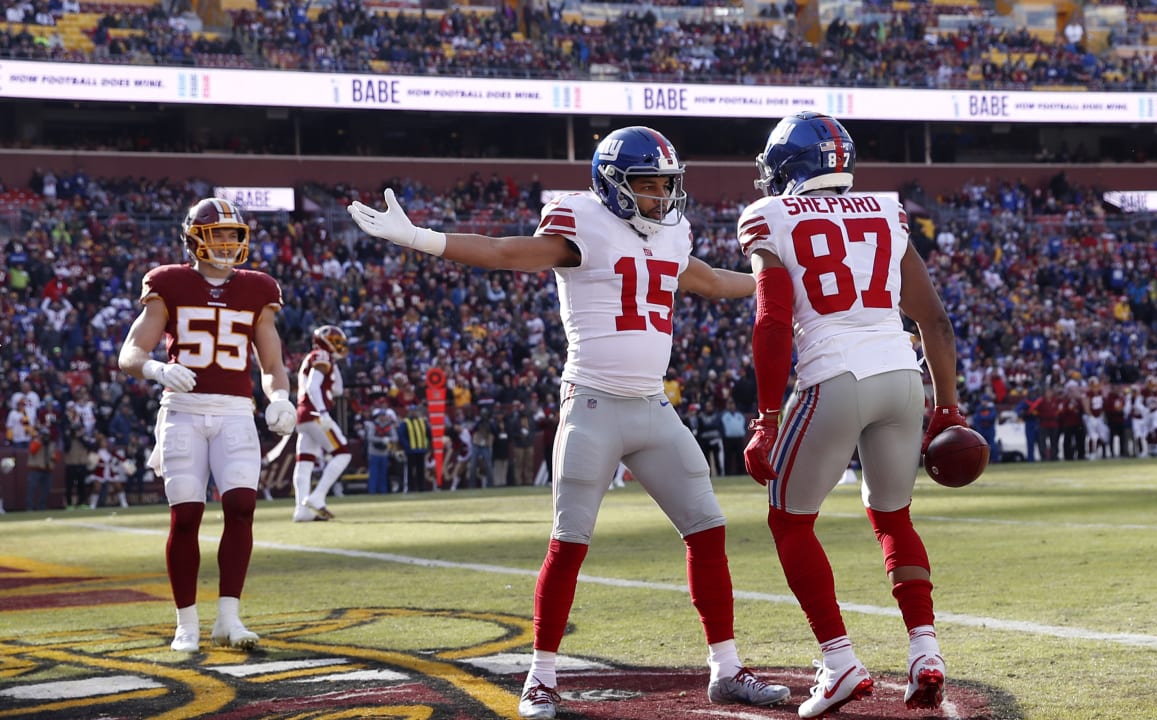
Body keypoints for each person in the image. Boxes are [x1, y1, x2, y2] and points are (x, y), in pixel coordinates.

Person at [348, 125, 789, 720]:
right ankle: (542, 676)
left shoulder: (672, 231)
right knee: (569, 542)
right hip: (593, 405)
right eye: (649, 183)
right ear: (613, 184)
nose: (662, 194)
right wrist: (422, 239)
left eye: (666, 183)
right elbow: (508, 253)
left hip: (653, 407)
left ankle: (726, 668)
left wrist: (782, 285)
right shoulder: (581, 220)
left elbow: (710, 282)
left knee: (708, 529)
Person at [737, 112, 965, 715]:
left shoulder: (770, 216)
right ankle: (925, 651)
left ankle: (838, 661)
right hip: (901, 376)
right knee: (893, 516)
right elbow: (935, 320)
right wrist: (948, 409)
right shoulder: (887, 212)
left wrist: (765, 417)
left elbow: (772, 320)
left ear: (788, 167)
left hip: (833, 376)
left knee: (790, 521)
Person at [118, 197, 296, 653]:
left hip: (236, 410)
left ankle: (228, 619)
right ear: (194, 237)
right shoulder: (169, 282)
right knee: (187, 515)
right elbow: (130, 353)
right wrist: (157, 370)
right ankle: (186, 624)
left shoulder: (258, 288)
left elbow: (272, 361)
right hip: (183, 409)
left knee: (240, 508)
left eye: (233, 235)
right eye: (217, 234)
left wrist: (279, 397)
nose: (225, 242)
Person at [291, 324, 352, 522]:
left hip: (303, 414)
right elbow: (312, 386)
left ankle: (301, 510)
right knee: (343, 453)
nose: (339, 345)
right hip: (316, 413)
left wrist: (336, 365)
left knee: (305, 463)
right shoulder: (322, 355)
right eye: (336, 341)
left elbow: (338, 390)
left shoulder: (322, 358)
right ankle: (317, 497)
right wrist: (323, 412)